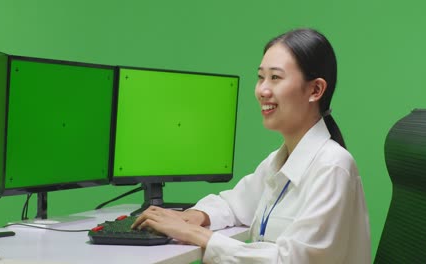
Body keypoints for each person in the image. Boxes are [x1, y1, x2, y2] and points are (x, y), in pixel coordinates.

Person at [132, 28, 371, 263]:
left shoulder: (332, 167)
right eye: (260, 77)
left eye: (275, 77)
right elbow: (234, 204)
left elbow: (292, 260)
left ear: (315, 89)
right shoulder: (279, 161)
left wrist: (196, 235)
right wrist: (195, 216)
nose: (262, 90)